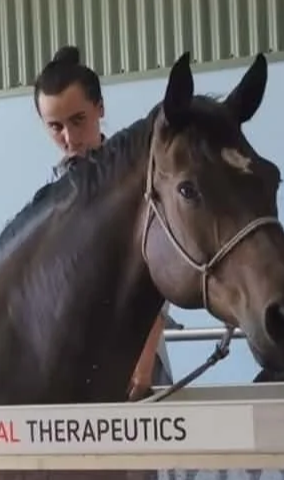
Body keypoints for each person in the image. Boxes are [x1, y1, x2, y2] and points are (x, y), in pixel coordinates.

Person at [32, 45, 176, 399]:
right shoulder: (51, 197)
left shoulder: (135, 182)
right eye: (55, 127)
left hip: (136, 370)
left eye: (78, 120)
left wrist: (142, 368)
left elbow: (156, 282)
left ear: (100, 108)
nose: (68, 138)